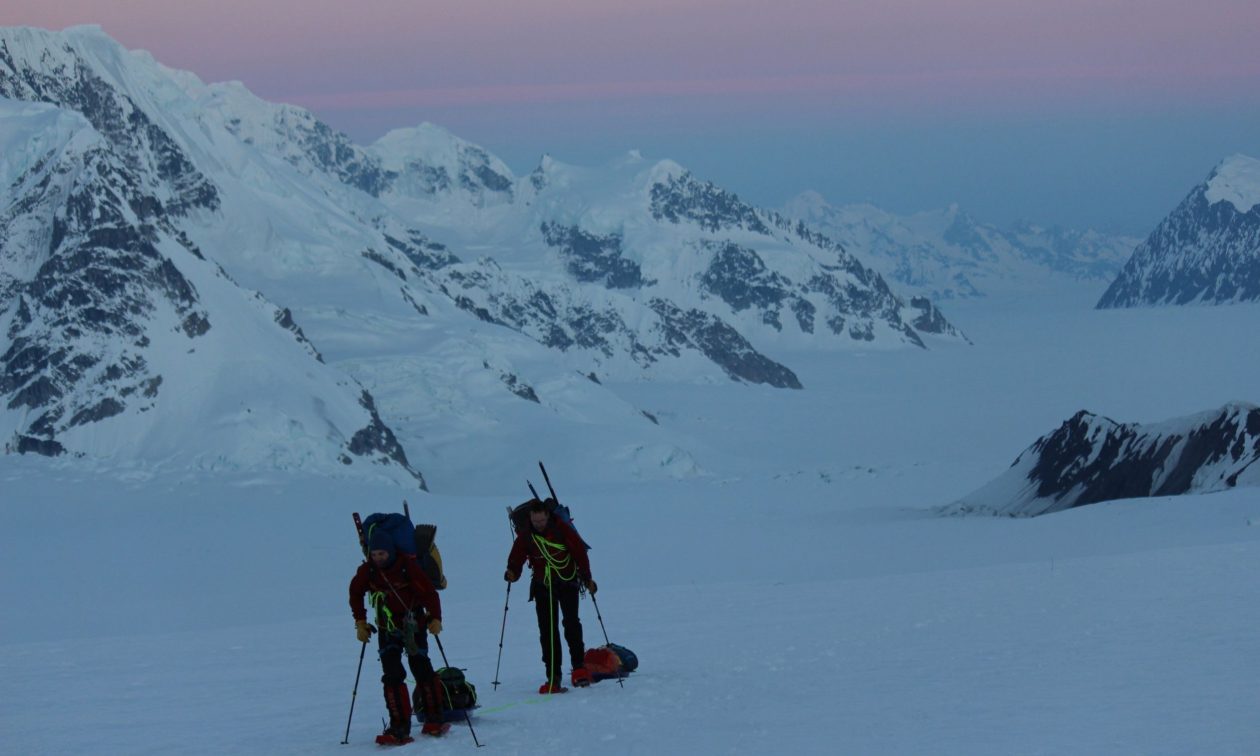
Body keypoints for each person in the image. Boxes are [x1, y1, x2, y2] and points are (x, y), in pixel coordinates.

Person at [350, 527, 450, 745]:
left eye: (382, 554)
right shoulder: (368, 571)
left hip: (413, 623)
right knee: (392, 673)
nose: (378, 558)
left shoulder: (407, 567)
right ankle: (399, 725)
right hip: (387, 627)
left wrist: (435, 618)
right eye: (374, 554)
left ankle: (435, 717)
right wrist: (360, 622)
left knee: (421, 666)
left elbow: (429, 593)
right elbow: (355, 593)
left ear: (391, 551)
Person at [504, 497, 598, 693]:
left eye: (541, 521)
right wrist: (513, 572)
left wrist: (587, 578)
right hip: (542, 585)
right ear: (530, 517)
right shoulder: (526, 535)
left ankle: (579, 668)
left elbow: (579, 553)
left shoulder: (561, 529)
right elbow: (517, 556)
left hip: (568, 581)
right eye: (535, 521)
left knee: (571, 623)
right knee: (548, 630)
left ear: (547, 516)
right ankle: (553, 677)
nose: (538, 524)